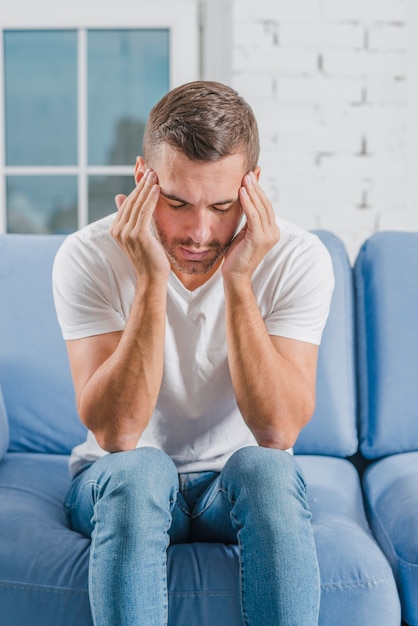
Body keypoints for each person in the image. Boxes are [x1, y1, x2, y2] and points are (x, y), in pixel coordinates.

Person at [53, 80, 334, 626]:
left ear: (252, 187)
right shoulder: (86, 256)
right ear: (142, 180)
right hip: (117, 481)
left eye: (223, 206)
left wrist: (240, 281)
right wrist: (151, 279)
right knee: (140, 473)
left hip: (231, 489)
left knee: (268, 470)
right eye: (177, 203)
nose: (200, 233)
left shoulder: (299, 259)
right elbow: (118, 435)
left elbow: (278, 432)